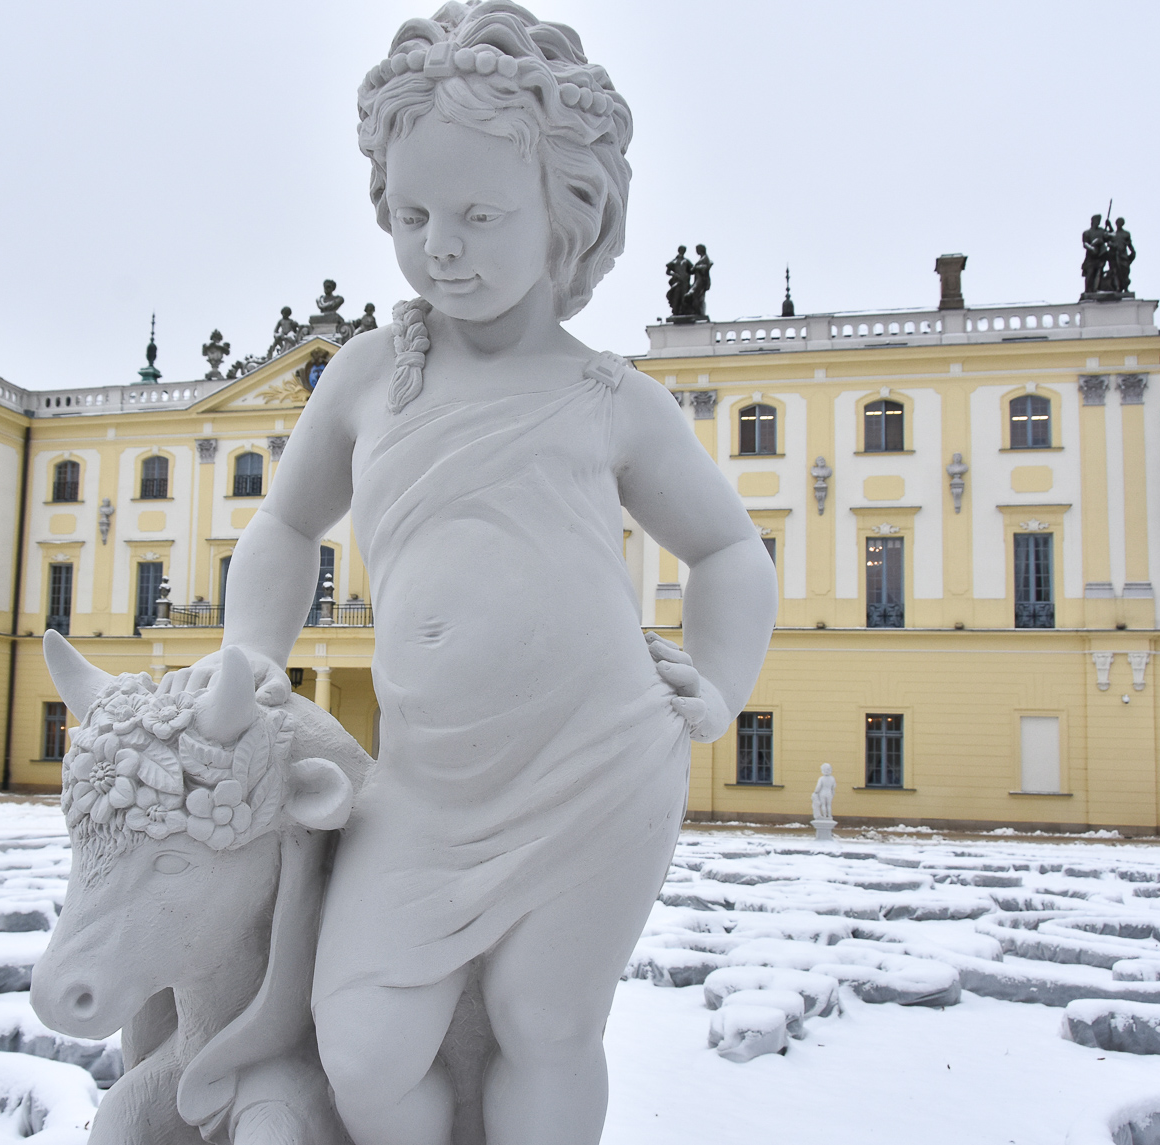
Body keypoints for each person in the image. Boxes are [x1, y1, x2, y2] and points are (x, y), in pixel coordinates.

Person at [164, 5, 775, 1143]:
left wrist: (718, 680)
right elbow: (285, 528)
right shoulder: (361, 380)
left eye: (478, 213)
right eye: (411, 214)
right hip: (428, 784)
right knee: (360, 1040)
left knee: (545, 1019)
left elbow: (731, 549)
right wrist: (253, 651)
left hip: (599, 764)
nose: (439, 244)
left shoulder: (610, 398)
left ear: (569, 216)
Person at [1081, 213, 1110, 294]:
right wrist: (1092, 248)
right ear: (1093, 221)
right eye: (1097, 220)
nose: (1098, 222)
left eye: (1099, 221)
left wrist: (1109, 226)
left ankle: (1096, 288)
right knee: (1090, 272)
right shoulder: (1087, 232)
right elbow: (1085, 243)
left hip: (1100, 255)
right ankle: (1088, 290)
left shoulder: (1102, 231)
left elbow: (1110, 237)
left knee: (1099, 272)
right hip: (1091, 256)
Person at [1107, 216, 1135, 294]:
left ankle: (1125, 288)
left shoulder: (1126, 234)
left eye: (1120, 223)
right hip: (1114, 256)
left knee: (1125, 272)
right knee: (1115, 272)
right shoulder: (1113, 234)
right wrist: (1108, 225)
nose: (1118, 224)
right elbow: (1111, 235)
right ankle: (1117, 287)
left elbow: (1129, 244)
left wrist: (1133, 252)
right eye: (1117, 223)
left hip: (1123, 256)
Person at [665, 244, 693, 315]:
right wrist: (674, 274)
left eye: (683, 250)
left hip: (685, 282)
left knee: (684, 296)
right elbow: (668, 272)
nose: (682, 251)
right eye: (681, 250)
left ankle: (684, 311)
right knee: (676, 296)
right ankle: (675, 311)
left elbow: (692, 270)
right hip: (677, 282)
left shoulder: (686, 261)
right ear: (678, 251)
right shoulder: (674, 261)